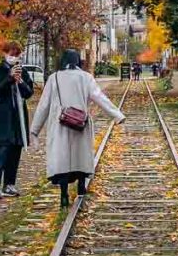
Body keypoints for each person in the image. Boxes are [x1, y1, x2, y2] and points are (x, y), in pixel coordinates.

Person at [30, 49, 125, 207]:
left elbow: (43, 106)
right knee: (80, 156)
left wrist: (35, 129)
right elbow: (99, 98)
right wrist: (117, 115)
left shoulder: (54, 78)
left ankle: (63, 194)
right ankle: (81, 186)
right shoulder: (86, 78)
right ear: (78, 61)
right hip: (80, 123)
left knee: (63, 160)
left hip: (59, 124)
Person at [0, 42, 34, 199]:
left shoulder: (23, 72)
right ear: (5, 53)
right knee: (1, 151)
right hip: (3, 117)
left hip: (18, 118)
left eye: (17, 55)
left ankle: (9, 184)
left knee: (15, 151)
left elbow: (28, 93)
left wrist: (20, 80)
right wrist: (9, 78)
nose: (14, 58)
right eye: (11, 54)